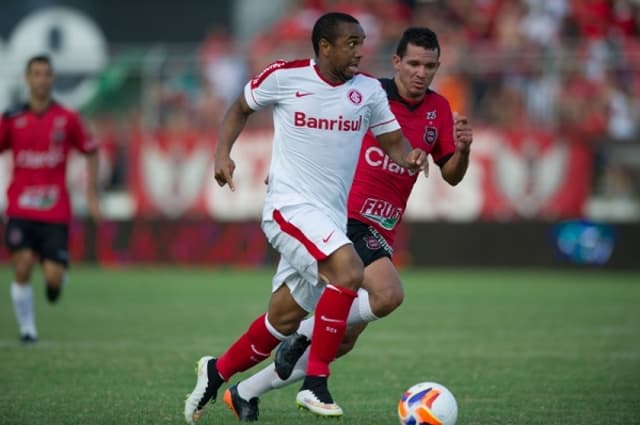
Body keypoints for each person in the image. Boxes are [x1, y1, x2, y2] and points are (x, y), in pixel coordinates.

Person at [184, 12, 427, 424]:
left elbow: (392, 141)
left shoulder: (368, 91)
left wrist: (410, 155)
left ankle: (217, 372)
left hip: (329, 218)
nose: (360, 51)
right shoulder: (285, 76)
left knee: (282, 318)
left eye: (361, 42)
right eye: (350, 43)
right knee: (348, 272)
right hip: (288, 207)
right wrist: (222, 154)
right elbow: (239, 108)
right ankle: (315, 384)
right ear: (324, 47)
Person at [221, 27, 473, 421]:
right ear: (396, 63)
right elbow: (313, 128)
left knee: (340, 341)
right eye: (413, 64)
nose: (420, 73)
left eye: (429, 66)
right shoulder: (366, 91)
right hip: (346, 218)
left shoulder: (438, 110)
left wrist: (462, 149)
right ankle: (306, 344)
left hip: (384, 227)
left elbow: (452, 175)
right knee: (388, 294)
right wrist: (288, 175)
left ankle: (246, 391)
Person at [0, 54, 100, 343]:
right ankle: (27, 329)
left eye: (46, 73)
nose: (42, 79)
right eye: (36, 73)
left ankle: (54, 282)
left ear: (52, 79)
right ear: (27, 79)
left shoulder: (67, 119)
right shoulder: (11, 119)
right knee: (21, 265)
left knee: (53, 278)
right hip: (20, 207)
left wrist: (92, 195)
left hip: (55, 211)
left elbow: (91, 150)